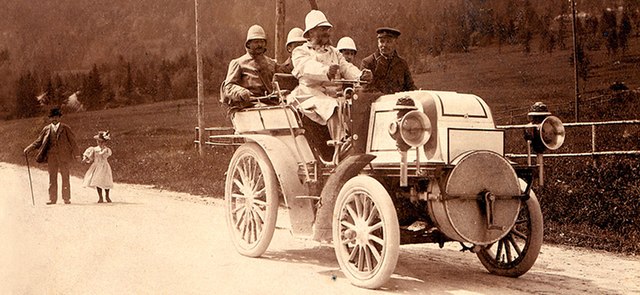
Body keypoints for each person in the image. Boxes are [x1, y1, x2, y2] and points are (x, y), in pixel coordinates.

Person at [291, 10, 372, 146]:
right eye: (323, 29)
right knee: (333, 107)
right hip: (310, 96)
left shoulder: (334, 52)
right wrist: (326, 71)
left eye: (328, 29)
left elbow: (346, 67)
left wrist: (360, 75)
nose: (327, 33)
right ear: (311, 32)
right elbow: (307, 67)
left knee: (359, 106)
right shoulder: (300, 51)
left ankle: (362, 143)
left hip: (334, 96)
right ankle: (340, 145)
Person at [23, 107, 79, 205]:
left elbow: (73, 142)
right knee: (52, 177)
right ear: (50, 118)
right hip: (51, 157)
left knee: (65, 177)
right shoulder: (46, 129)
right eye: (52, 117)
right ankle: (52, 199)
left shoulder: (65, 128)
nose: (54, 119)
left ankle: (66, 198)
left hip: (63, 156)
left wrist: (77, 155)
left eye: (56, 117)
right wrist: (29, 148)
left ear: (59, 117)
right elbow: (39, 141)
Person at [221, 24, 279, 113]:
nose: (260, 45)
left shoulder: (272, 63)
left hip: (273, 104)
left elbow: (281, 81)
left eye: (262, 41)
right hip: (249, 106)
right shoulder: (238, 63)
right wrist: (241, 92)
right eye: (256, 42)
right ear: (248, 44)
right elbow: (228, 87)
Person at [361, 27, 417, 94]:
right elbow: (366, 89)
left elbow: (410, 86)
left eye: (389, 42)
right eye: (382, 41)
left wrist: (419, 94)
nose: (384, 45)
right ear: (377, 43)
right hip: (378, 102)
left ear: (395, 43)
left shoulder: (402, 64)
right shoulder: (368, 63)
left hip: (398, 102)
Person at [82, 131, 114, 203]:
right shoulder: (94, 149)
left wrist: (104, 151)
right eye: (98, 141)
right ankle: (100, 197)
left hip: (104, 166)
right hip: (96, 166)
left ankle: (107, 196)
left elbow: (105, 155)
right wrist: (86, 158)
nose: (99, 143)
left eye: (102, 142)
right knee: (97, 180)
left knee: (106, 180)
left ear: (105, 142)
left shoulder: (107, 150)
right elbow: (90, 157)